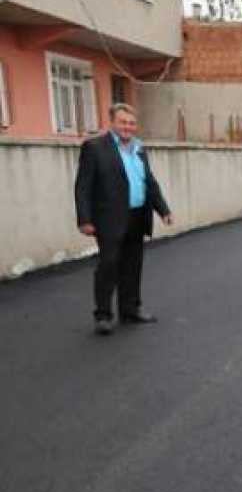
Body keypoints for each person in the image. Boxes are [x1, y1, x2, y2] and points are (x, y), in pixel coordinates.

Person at [74, 103, 173, 335]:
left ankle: (130, 310)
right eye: (123, 122)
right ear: (112, 122)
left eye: (131, 123)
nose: (128, 127)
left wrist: (164, 210)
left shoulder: (139, 149)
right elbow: (83, 187)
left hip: (138, 215)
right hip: (109, 218)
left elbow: (149, 182)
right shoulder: (95, 147)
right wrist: (84, 219)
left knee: (132, 265)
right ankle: (103, 315)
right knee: (109, 265)